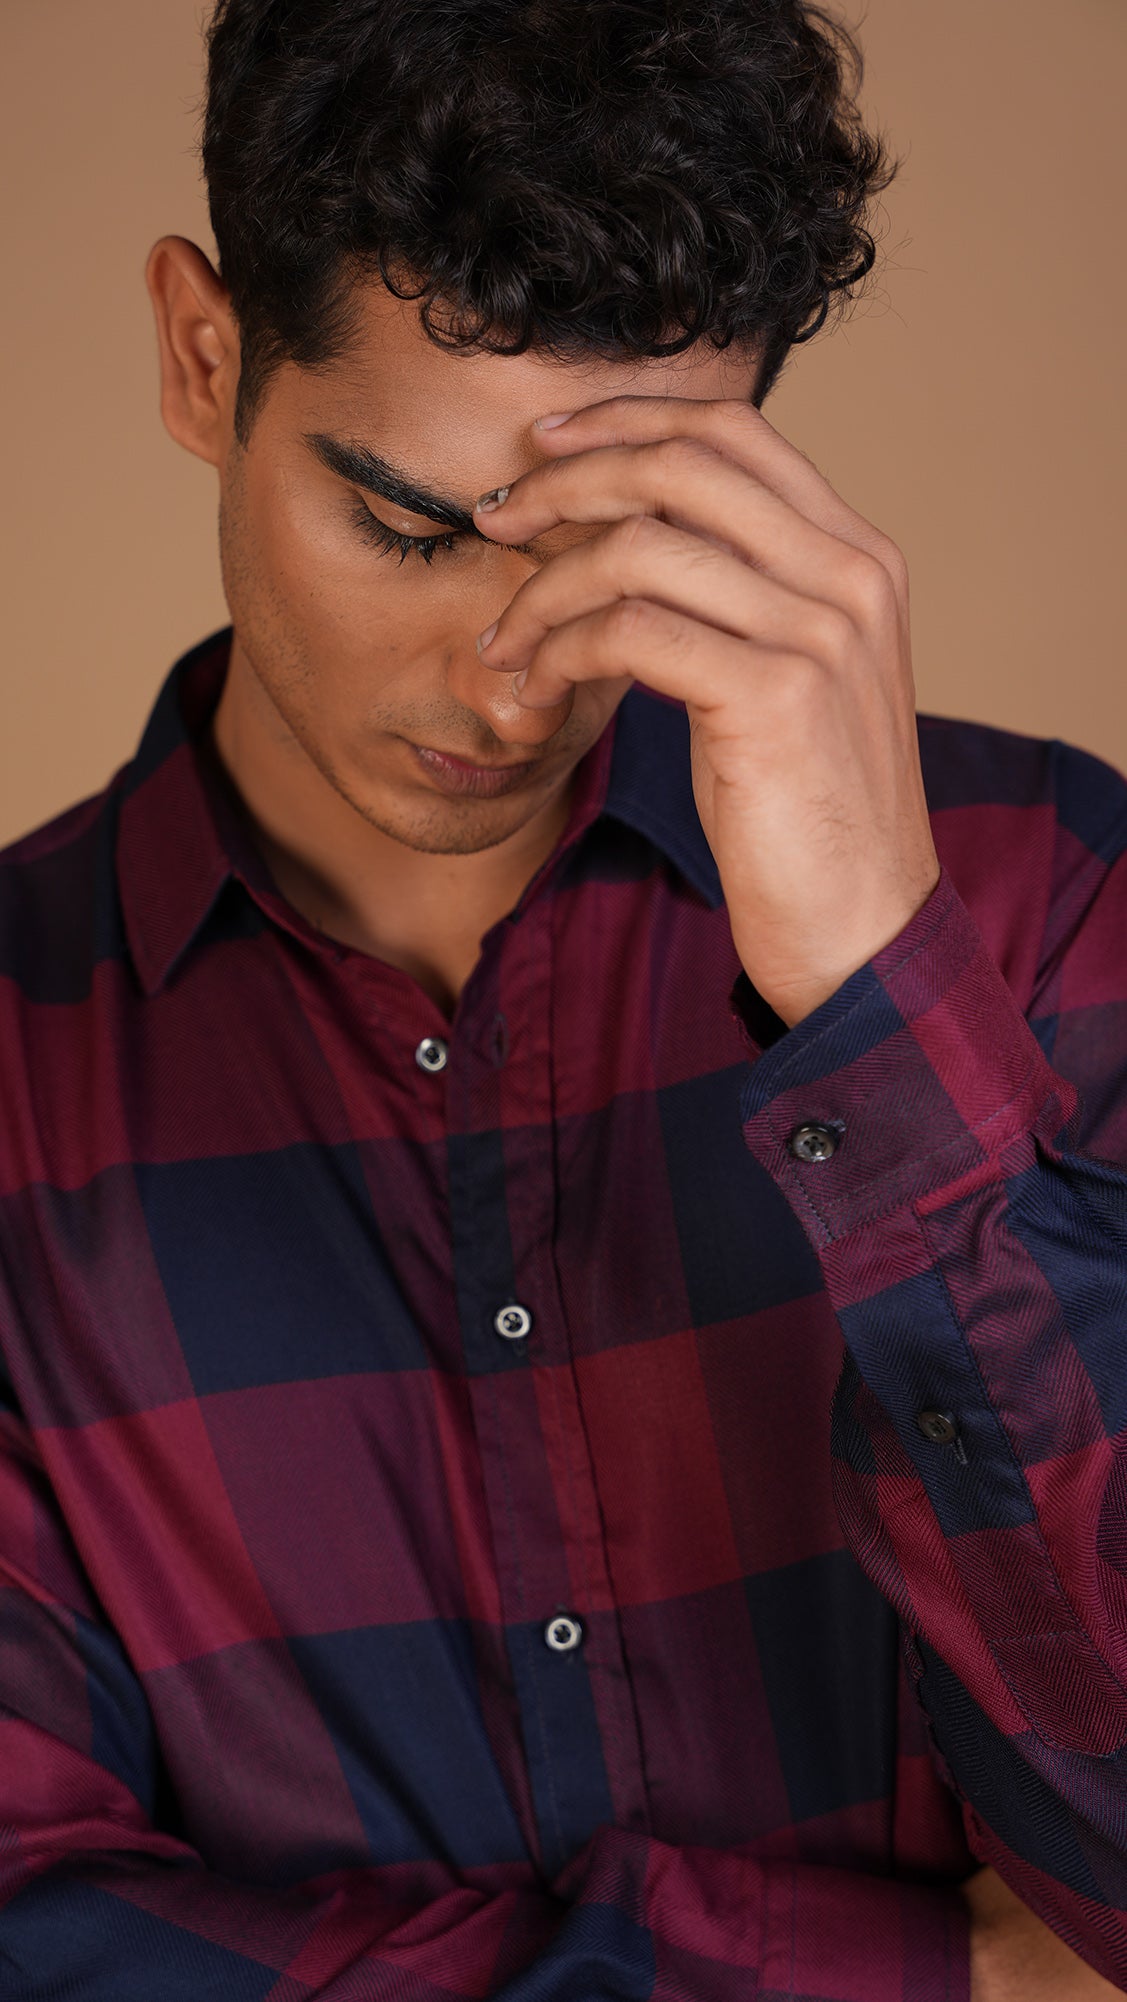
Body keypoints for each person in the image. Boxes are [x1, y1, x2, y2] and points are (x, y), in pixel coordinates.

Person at [0, 0, 1123, 1995]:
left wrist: (883, 1013)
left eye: (628, 544)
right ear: (204, 357)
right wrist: (914, 1977)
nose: (512, 680)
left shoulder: (1046, 904)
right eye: (412, 529)